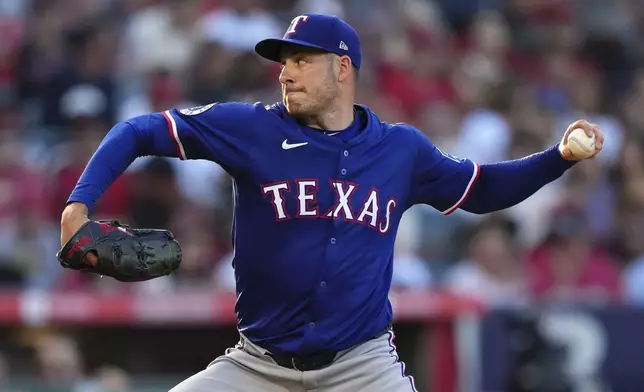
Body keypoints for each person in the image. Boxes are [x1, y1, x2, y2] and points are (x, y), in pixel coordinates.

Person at [59, 14, 604, 392]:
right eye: (283, 61)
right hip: (257, 366)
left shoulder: (400, 151)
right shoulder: (251, 128)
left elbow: (482, 188)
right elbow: (138, 130)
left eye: (302, 60)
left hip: (361, 368)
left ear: (343, 68)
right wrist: (77, 208)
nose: (286, 71)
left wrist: (557, 157)